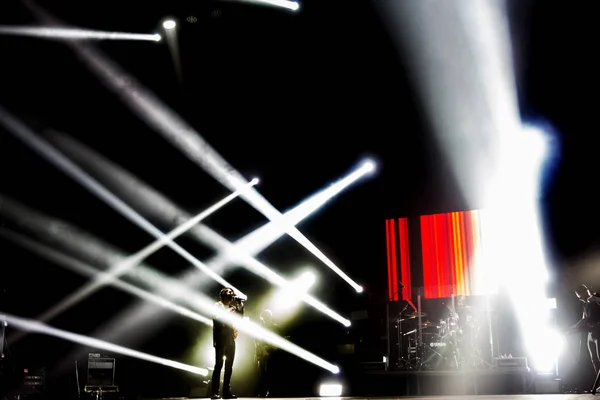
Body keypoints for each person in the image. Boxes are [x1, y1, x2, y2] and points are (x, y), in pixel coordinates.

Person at [211, 288, 244, 399]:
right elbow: (217, 320)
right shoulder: (217, 306)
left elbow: (240, 317)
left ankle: (226, 392)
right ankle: (214, 392)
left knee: (229, 367)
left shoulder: (232, 307)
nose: (231, 295)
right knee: (219, 365)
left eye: (232, 293)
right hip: (221, 339)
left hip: (230, 340)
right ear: (223, 295)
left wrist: (240, 304)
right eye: (229, 293)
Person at [255, 309, 280, 397]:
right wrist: (261, 349)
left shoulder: (276, 328)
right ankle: (263, 391)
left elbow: (279, 341)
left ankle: (271, 391)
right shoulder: (260, 328)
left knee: (272, 373)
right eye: (265, 317)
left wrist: (271, 348)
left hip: (272, 353)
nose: (266, 319)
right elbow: (256, 340)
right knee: (262, 374)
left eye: (267, 316)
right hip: (263, 353)